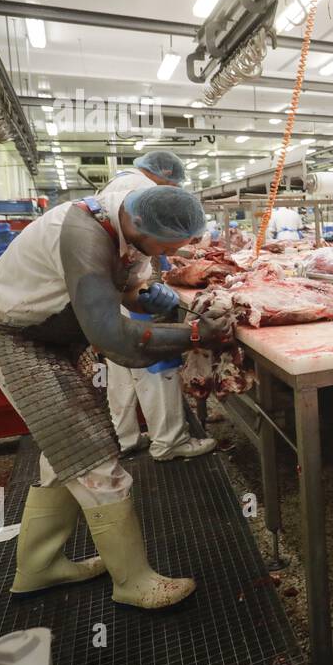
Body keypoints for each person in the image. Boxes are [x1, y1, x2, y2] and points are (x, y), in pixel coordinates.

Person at [0, 185, 231, 609]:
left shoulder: (124, 227)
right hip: (18, 338)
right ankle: (133, 581)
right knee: (94, 458)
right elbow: (113, 338)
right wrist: (193, 335)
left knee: (66, 452)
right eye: (164, 247)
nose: (167, 254)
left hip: (55, 337)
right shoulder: (83, 233)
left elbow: (128, 290)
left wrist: (148, 295)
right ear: (137, 225)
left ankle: (39, 567)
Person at [98, 151, 215, 464]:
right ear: (163, 176)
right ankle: (170, 442)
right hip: (130, 291)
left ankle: (125, 437)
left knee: (121, 369)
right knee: (156, 362)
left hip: (111, 294)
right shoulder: (144, 193)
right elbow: (148, 244)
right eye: (173, 184)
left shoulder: (120, 184)